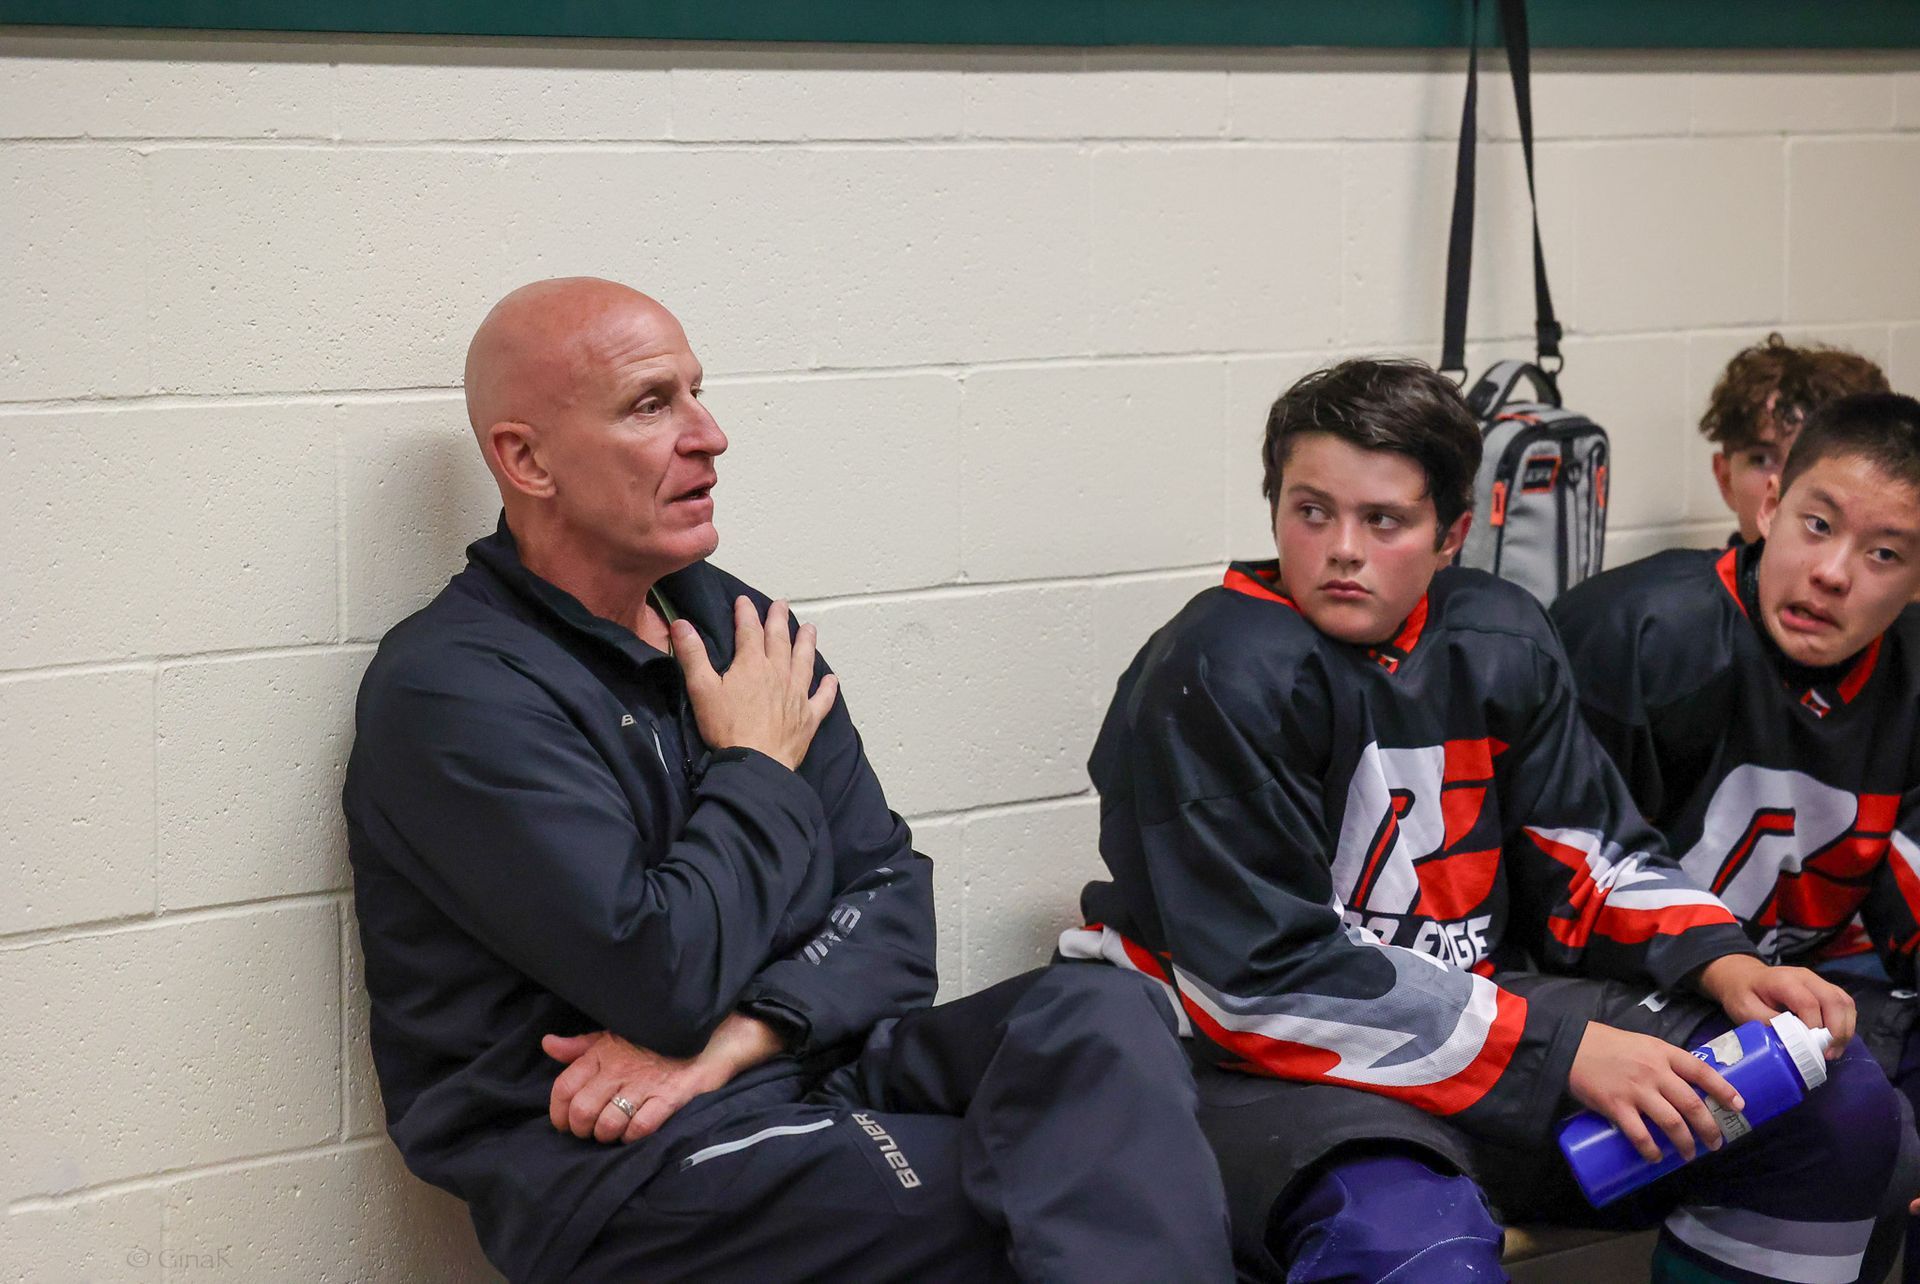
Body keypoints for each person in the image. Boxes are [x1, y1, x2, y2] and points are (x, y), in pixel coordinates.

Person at [342, 277, 1234, 1284]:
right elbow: (661, 973)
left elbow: (894, 905)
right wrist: (756, 763)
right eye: (651, 404)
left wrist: (733, 1040)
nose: (709, 434)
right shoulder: (455, 691)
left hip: (797, 1064)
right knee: (1074, 1196)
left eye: (696, 392)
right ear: (525, 459)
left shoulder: (738, 628)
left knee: (1105, 1015)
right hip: (633, 1169)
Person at [1064, 357, 1902, 1283]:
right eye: (1312, 511)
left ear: (1453, 531)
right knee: (1414, 1248)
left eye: (1384, 520)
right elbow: (1256, 985)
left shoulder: (1495, 632)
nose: (1343, 548)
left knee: (1832, 1106)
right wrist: (1558, 1050)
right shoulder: (1214, 668)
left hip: (1476, 1025)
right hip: (1248, 1063)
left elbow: (1590, 849)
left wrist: (1724, 958)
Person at [1554, 390, 1920, 1275]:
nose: (1833, 573)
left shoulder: (1911, 673)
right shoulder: (1632, 632)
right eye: (1817, 524)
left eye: (1882, 553)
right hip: (1625, 999)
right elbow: (1560, 888)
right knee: (1854, 1126)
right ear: (1766, 508)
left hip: (1812, 990)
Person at [1699, 333, 1888, 547]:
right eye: (1762, 460)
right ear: (1726, 480)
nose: (1785, 487)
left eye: (1822, 461)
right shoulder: (1689, 580)